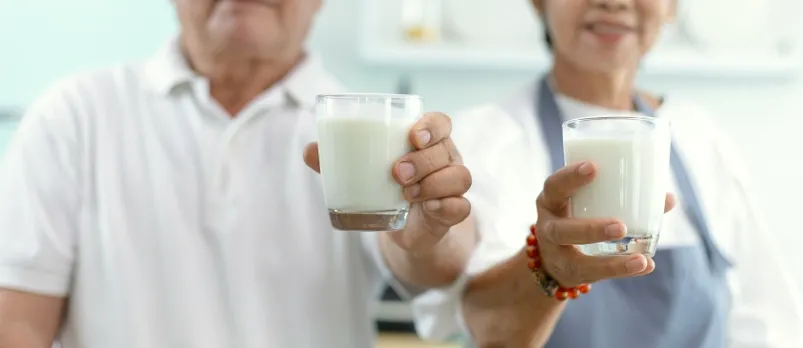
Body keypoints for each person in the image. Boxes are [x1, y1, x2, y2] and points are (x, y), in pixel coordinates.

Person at [0, 1, 476, 347]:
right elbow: (17, 323)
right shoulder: (74, 117)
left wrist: (431, 227)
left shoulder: (370, 130)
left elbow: (431, 262)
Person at [410, 0, 803, 347]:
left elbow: (769, 325)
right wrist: (548, 268)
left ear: (671, 7)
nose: (614, 1)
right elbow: (487, 328)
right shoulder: (484, 141)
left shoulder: (700, 138)